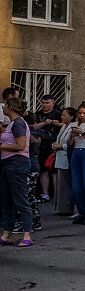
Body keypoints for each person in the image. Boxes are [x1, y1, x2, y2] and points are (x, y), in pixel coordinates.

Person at [0, 97, 34, 247]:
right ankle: (7, 232)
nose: (3, 108)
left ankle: (27, 234)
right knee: (6, 199)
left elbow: (20, 146)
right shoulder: (13, 124)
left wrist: (0, 146)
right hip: (8, 163)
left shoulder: (19, 123)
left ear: (11, 107)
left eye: (5, 105)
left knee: (20, 199)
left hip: (17, 163)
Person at [32, 95, 62, 201]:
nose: (44, 105)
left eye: (47, 103)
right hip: (40, 144)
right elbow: (33, 126)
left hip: (53, 144)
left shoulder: (58, 113)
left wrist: (57, 123)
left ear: (53, 103)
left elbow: (67, 124)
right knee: (43, 170)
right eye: (43, 103)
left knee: (53, 170)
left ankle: (57, 194)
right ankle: (45, 194)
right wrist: (45, 123)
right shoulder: (38, 114)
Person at [52, 107, 76, 216]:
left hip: (66, 156)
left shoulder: (73, 127)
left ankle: (67, 207)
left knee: (66, 183)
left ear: (71, 116)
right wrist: (55, 145)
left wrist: (60, 146)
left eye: (64, 115)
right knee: (60, 183)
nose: (62, 117)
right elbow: (59, 140)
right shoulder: (63, 127)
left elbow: (72, 144)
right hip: (60, 156)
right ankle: (61, 207)